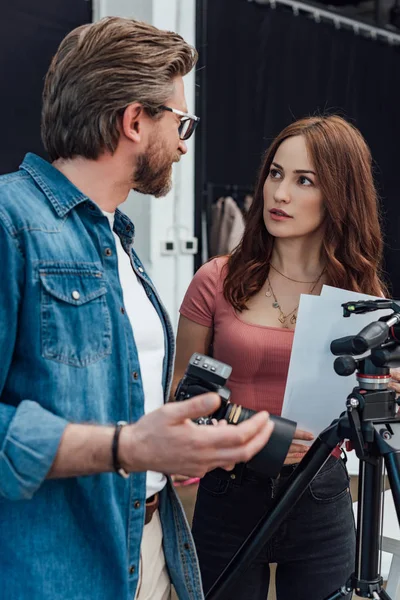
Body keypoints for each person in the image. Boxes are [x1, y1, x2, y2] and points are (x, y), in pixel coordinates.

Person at [0, 17, 275, 600]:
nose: (182, 144)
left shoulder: (119, 240)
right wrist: (128, 447)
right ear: (133, 121)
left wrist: (190, 441)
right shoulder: (9, 224)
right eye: (182, 123)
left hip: (152, 545)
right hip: (56, 569)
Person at [173, 115, 390, 600]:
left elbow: (373, 417)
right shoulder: (217, 279)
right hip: (229, 491)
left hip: (322, 495)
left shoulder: (361, 298)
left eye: (303, 180)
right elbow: (179, 395)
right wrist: (248, 429)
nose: (280, 194)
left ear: (339, 194)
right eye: (275, 173)